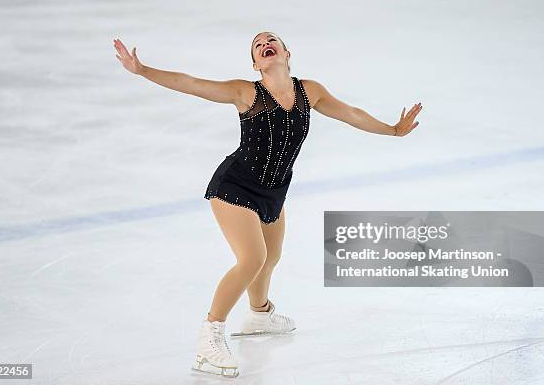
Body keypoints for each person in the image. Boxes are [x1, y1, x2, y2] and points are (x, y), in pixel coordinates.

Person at [113, 31, 422, 378]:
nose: (265, 45)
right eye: (258, 46)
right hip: (235, 185)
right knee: (252, 259)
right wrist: (142, 70)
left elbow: (350, 112)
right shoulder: (246, 92)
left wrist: (393, 130)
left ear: (287, 53)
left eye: (271, 40)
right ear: (255, 63)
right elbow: (192, 83)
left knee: (270, 258)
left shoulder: (310, 91)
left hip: (274, 190)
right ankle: (210, 335)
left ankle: (259, 315)